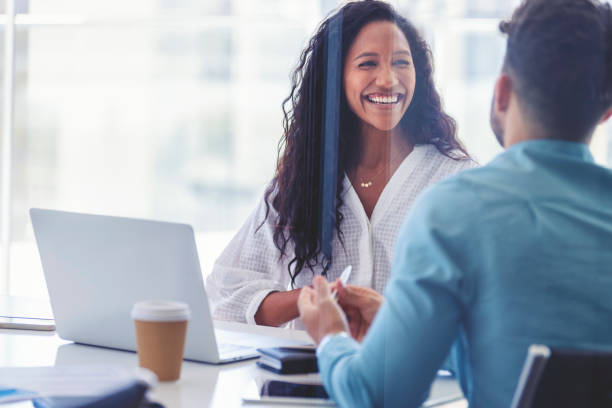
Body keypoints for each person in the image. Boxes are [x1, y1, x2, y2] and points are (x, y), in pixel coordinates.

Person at [298, 0, 612, 406]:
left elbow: (376, 397)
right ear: (606, 112)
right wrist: (401, 320)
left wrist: (330, 336)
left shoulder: (453, 212)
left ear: (501, 93)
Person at [206, 0, 475, 327]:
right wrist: (313, 297)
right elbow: (225, 294)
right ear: (336, 77)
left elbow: (483, 302)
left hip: (414, 376)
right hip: (313, 372)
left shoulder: (457, 180)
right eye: (368, 64)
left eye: (401, 63)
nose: (388, 79)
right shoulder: (300, 179)